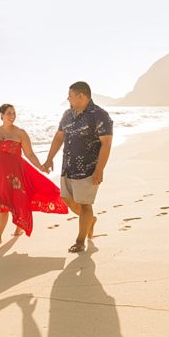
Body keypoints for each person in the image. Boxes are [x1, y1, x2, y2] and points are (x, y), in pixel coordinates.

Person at [0, 104, 68, 247]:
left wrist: (41, 167)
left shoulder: (20, 133)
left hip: (15, 175)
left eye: (14, 113)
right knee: (1, 204)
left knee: (18, 202)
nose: (12, 116)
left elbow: (29, 154)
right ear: (1, 116)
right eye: (9, 113)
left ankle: (19, 227)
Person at [43, 82, 113, 253]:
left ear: (81, 96)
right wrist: (49, 158)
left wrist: (99, 170)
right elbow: (59, 137)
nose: (68, 98)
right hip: (67, 167)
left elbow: (106, 144)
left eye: (70, 95)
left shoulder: (100, 115)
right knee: (67, 200)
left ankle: (80, 241)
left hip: (88, 170)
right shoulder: (67, 114)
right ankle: (90, 220)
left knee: (85, 205)